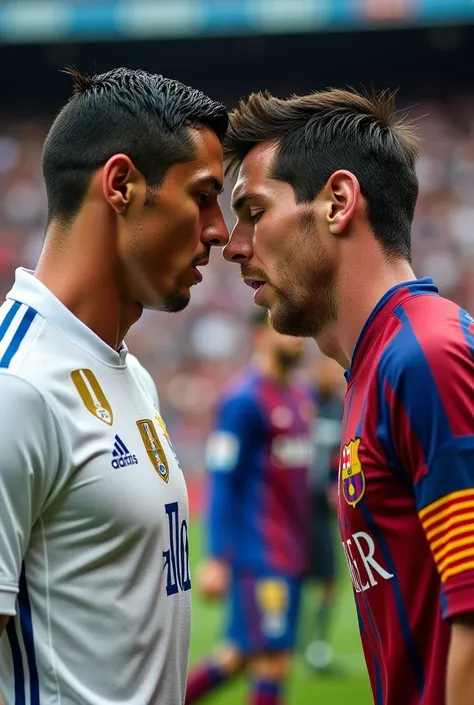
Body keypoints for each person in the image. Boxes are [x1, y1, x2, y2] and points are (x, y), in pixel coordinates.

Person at [221, 88, 474, 705]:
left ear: (337, 202)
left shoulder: (427, 358)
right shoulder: (378, 368)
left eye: (254, 211)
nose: (233, 244)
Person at [0, 67, 229, 705]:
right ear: (122, 184)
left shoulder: (135, 377)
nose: (221, 231)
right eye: (204, 197)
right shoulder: (15, 387)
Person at [185, 308, 313, 705]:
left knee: (238, 656)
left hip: (292, 550)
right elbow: (223, 479)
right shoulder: (242, 399)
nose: (296, 337)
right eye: (285, 329)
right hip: (260, 553)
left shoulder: (301, 394)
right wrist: (217, 557)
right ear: (260, 335)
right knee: (272, 660)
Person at [305, 356, 345, 674]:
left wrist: (336, 486)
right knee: (297, 577)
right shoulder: (302, 403)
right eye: (327, 369)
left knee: (331, 579)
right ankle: (293, 639)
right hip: (299, 508)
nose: (333, 375)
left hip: (323, 511)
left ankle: (316, 644)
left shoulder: (339, 408)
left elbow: (340, 456)